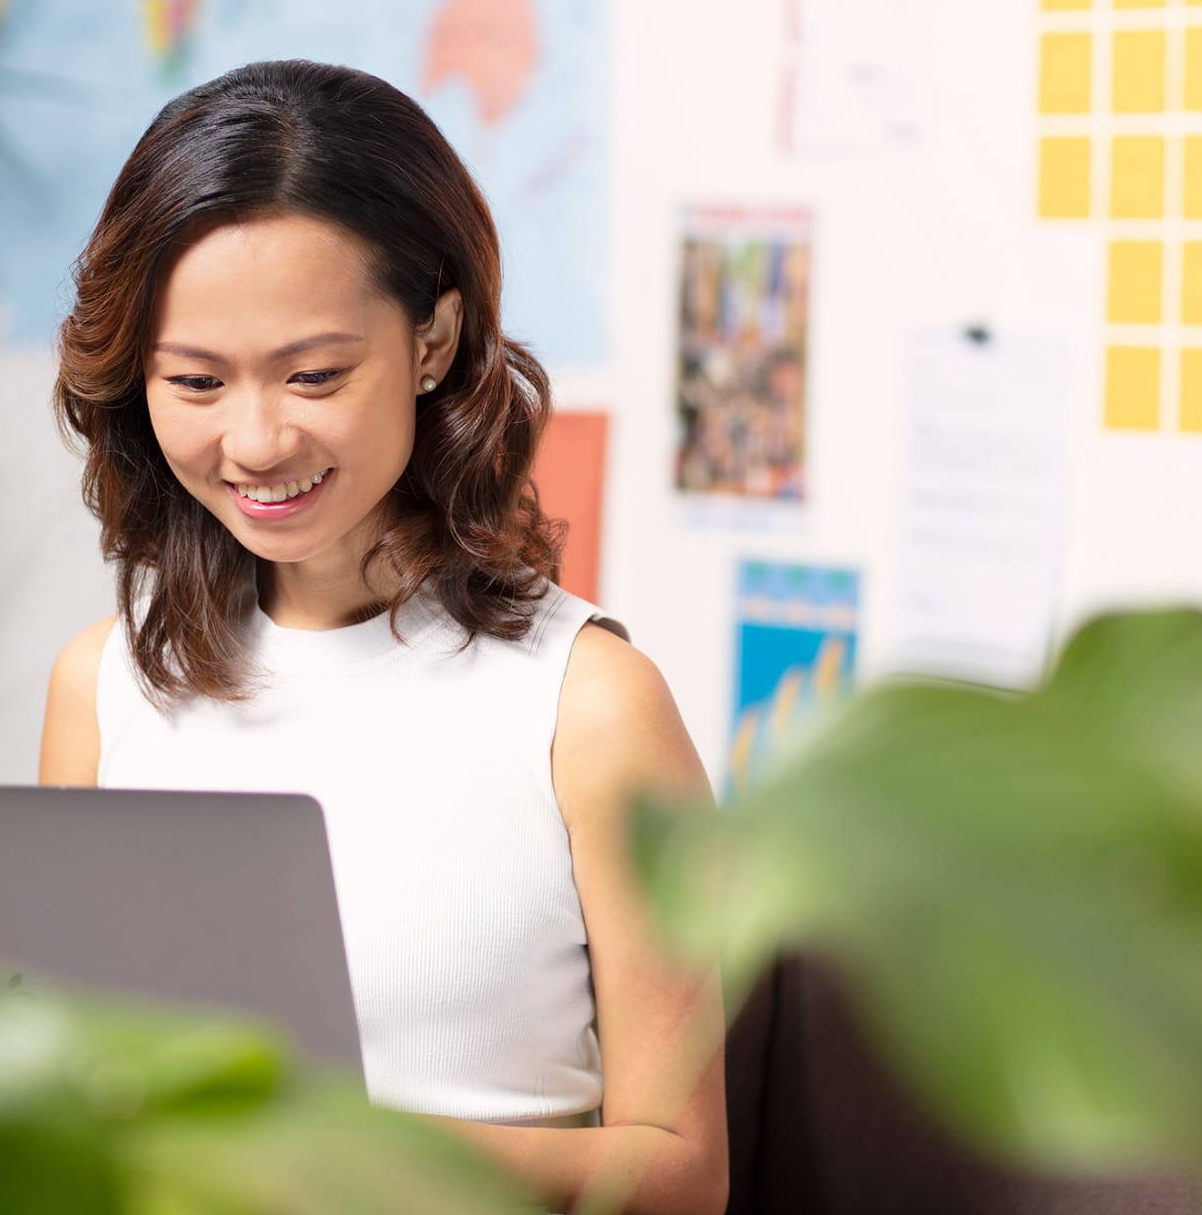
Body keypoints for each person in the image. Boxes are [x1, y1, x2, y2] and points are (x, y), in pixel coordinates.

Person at [37, 59, 729, 1215]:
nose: (254, 440)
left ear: (431, 339)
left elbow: (676, 1169)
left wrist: (334, 1152)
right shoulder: (104, 685)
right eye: (195, 380)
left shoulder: (590, 706)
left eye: (313, 374)